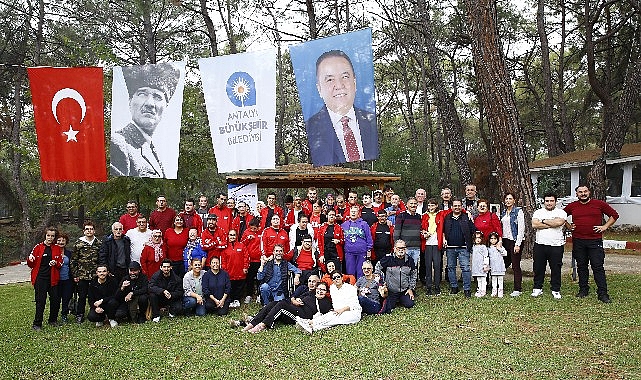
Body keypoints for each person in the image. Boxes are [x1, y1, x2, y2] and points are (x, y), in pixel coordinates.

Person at [306, 50, 378, 166]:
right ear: (319, 89)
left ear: (354, 82)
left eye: (345, 77)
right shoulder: (311, 128)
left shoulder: (372, 121)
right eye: (330, 79)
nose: (339, 85)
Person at [110, 62, 180, 177]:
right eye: (142, 94)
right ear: (130, 101)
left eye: (157, 97)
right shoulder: (119, 144)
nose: (150, 104)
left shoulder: (152, 149)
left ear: (165, 107)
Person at [564, 185, 619, 303]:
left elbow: (614, 215)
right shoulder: (572, 206)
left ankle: (603, 293)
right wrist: (569, 226)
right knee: (581, 266)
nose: (583, 194)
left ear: (589, 192)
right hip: (578, 240)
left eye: (585, 191)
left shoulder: (599, 204)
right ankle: (583, 290)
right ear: (576, 194)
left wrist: (605, 226)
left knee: (597, 267)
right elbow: (562, 216)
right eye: (580, 192)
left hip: (595, 241)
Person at [245, 280, 332, 334]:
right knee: (273, 303)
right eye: (319, 289)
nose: (320, 291)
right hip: (294, 308)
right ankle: (252, 323)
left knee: (282, 305)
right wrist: (296, 300)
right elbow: (296, 298)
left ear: (326, 292)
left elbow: (327, 316)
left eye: (323, 290)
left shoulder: (326, 302)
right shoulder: (310, 294)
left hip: (301, 316)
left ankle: (262, 325)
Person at [296, 270, 362, 334]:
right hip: (337, 312)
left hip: (353, 313)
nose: (336, 279)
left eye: (338, 277)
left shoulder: (350, 288)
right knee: (330, 316)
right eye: (334, 278)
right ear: (332, 280)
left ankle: (310, 323)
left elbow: (354, 305)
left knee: (334, 319)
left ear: (342, 278)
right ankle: (312, 327)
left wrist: (342, 310)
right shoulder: (332, 288)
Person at [531, 193, 567, 299]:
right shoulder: (538, 212)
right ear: (544, 202)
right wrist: (552, 223)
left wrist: (542, 221)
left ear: (555, 201)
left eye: (551, 201)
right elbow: (534, 225)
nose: (549, 203)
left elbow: (560, 222)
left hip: (556, 245)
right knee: (538, 267)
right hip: (540, 244)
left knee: (556, 268)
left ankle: (555, 289)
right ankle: (537, 288)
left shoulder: (561, 212)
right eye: (547, 201)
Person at [28, 227, 64, 330]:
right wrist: (30, 260)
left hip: (53, 278)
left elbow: (60, 263)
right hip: (40, 278)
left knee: (55, 300)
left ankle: (52, 320)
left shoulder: (57, 248)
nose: (50, 238)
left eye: (52, 236)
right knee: (40, 301)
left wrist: (55, 263)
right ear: (45, 235)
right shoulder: (38, 247)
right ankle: (37, 323)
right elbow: (31, 263)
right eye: (48, 235)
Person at [439, 198, 476, 297]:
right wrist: (444, 239)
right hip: (450, 248)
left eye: (459, 205)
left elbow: (473, 230)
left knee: (466, 268)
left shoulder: (465, 217)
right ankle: (454, 287)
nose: (457, 207)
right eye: (455, 206)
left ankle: (467, 289)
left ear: (461, 207)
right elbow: (442, 230)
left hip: (463, 247)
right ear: (451, 207)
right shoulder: (447, 218)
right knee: (451, 268)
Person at [71, 220, 101, 323]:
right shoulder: (78, 243)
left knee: (95, 295)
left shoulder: (98, 243)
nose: (89, 231)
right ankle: (80, 314)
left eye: (91, 229)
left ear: (94, 231)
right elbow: (74, 260)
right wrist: (75, 274)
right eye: (87, 229)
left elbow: (101, 259)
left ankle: (96, 313)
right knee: (82, 296)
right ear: (84, 231)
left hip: (95, 275)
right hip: (82, 275)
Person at [375, 240, 416, 312]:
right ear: (394, 248)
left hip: (404, 290)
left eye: (403, 248)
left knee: (410, 304)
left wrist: (410, 289)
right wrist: (381, 284)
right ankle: (394, 300)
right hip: (391, 291)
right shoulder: (388, 259)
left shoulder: (410, 260)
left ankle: (401, 299)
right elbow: (377, 269)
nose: (401, 250)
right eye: (398, 248)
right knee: (389, 307)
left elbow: (414, 274)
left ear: (405, 249)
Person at [500, 192, 525, 297]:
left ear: (514, 200)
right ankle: (498, 285)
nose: (508, 201)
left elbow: (521, 228)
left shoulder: (518, 212)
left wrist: (517, 244)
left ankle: (517, 289)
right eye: (506, 199)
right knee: (503, 264)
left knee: (515, 265)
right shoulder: (503, 212)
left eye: (510, 199)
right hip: (505, 240)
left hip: (515, 241)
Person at [393, 197, 422, 279]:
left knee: (413, 266)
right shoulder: (401, 216)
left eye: (415, 204)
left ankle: (412, 285)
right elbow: (397, 231)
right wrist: (397, 245)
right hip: (405, 247)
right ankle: (403, 284)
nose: (413, 205)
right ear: (407, 205)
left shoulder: (419, 217)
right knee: (404, 267)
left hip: (416, 247)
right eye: (411, 203)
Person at [342, 205, 373, 278]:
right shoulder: (344, 225)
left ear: (358, 213)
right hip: (349, 252)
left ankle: (360, 287)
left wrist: (369, 249)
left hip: (361, 252)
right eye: (352, 211)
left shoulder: (364, 224)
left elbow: (369, 237)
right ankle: (352, 287)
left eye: (355, 212)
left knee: (361, 272)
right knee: (350, 273)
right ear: (349, 213)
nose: (353, 213)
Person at [221, 229, 249, 308]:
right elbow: (223, 261)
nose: (232, 237)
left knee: (239, 287)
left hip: (240, 272)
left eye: (234, 235)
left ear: (236, 236)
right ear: (228, 236)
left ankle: (237, 300)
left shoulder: (242, 245)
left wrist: (245, 267)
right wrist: (225, 270)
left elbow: (246, 257)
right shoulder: (225, 247)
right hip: (230, 273)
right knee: (231, 287)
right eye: (230, 235)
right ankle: (231, 300)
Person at [421, 199, 443, 295]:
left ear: (436, 205)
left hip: (436, 243)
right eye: (429, 206)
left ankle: (437, 286)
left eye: (433, 205)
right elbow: (421, 229)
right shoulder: (424, 216)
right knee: (428, 266)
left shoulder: (440, 215)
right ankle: (429, 286)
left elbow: (451, 210)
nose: (431, 208)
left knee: (437, 266)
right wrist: (424, 234)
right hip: (427, 244)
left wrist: (466, 211)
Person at [241, 218, 262, 303]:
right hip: (250, 260)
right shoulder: (246, 232)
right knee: (249, 278)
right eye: (251, 228)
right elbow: (242, 244)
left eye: (255, 228)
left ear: (258, 227)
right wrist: (247, 239)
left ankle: (259, 295)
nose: (253, 230)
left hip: (259, 260)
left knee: (259, 278)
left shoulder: (261, 233)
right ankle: (249, 295)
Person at [55, 233, 74, 323]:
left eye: (63, 240)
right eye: (59, 240)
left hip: (67, 279)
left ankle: (64, 314)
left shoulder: (69, 253)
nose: (61, 242)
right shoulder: (52, 252)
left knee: (66, 298)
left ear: (66, 242)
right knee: (56, 298)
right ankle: (54, 315)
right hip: (56, 280)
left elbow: (73, 266)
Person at [487, 232, 508, 297]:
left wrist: (499, 248)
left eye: (495, 238)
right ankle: (494, 291)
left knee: (500, 279)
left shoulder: (500, 247)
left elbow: (505, 253)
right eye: (491, 238)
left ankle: (500, 291)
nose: (493, 240)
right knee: (493, 279)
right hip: (493, 267)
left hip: (500, 266)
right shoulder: (488, 248)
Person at [471, 232, 490, 297]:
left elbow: (486, 256)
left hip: (482, 265)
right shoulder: (474, 247)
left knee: (483, 278)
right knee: (478, 278)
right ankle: (479, 289)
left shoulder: (483, 247)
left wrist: (486, 265)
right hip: (476, 265)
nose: (478, 239)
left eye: (479, 238)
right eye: (476, 238)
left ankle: (483, 290)